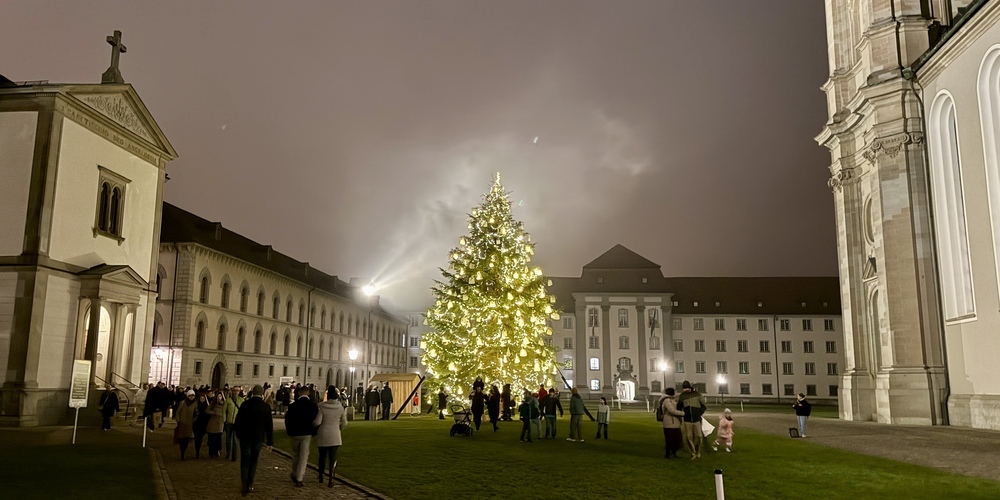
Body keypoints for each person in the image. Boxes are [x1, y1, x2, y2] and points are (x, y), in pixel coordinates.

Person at [234, 385, 273, 496]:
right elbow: (269, 426)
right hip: (258, 438)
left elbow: (238, 421)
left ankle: (244, 484)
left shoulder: (245, 405)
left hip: (245, 437)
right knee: (253, 461)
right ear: (262, 394)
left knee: (245, 461)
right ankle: (250, 483)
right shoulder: (265, 407)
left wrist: (238, 434)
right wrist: (270, 441)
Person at [313, 386, 348, 487]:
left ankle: (321, 475)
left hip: (323, 434)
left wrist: (313, 425)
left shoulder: (322, 407)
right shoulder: (340, 408)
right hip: (335, 434)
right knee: (332, 458)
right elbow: (345, 423)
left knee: (322, 457)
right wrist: (339, 428)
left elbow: (317, 422)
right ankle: (331, 478)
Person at [285, 385, 319, 487]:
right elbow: (316, 421)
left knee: (295, 454)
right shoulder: (313, 406)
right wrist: (314, 432)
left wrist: (289, 431)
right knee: (304, 456)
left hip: (294, 433)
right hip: (306, 433)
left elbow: (287, 420)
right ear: (308, 393)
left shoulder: (293, 406)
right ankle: (299, 478)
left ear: (299, 393)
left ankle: (294, 472)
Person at [677, 380, 707, 459]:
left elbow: (704, 406)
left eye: (687, 388)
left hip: (697, 419)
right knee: (689, 437)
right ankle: (692, 453)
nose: (685, 389)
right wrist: (682, 414)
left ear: (690, 387)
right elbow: (679, 407)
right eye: (684, 388)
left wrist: (699, 413)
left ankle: (698, 451)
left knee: (699, 436)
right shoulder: (682, 396)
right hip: (687, 420)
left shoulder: (697, 394)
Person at [660, 388, 685, 458]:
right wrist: (683, 413)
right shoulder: (667, 401)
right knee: (670, 439)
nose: (676, 393)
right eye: (675, 391)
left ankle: (674, 453)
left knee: (676, 440)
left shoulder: (673, 400)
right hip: (669, 423)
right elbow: (672, 411)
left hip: (675, 422)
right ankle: (668, 454)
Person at [174, 389, 199, 460]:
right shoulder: (183, 403)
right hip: (182, 423)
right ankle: (182, 453)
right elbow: (178, 412)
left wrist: (193, 420)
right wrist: (178, 420)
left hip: (189, 424)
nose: (191, 397)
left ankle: (184, 451)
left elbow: (197, 413)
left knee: (186, 439)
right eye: (190, 396)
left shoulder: (195, 403)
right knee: (181, 439)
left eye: (193, 396)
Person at [223, 385, 244, 461]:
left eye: (237, 391)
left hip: (237, 423)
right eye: (234, 390)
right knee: (228, 440)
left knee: (235, 440)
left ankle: (234, 455)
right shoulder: (228, 400)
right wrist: (225, 420)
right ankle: (228, 453)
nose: (235, 392)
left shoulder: (242, 400)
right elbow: (224, 411)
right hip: (229, 423)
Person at [206, 392, 226, 458]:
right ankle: (211, 452)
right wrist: (213, 412)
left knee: (218, 438)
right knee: (212, 438)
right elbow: (207, 410)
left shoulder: (224, 404)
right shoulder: (213, 403)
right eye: (218, 396)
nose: (219, 397)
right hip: (213, 422)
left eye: (220, 396)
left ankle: (216, 451)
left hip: (220, 422)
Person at [192, 392, 211, 458]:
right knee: (197, 438)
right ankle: (197, 451)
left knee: (200, 438)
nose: (202, 400)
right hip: (196, 424)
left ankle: (198, 450)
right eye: (201, 398)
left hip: (203, 424)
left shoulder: (207, 406)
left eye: (203, 398)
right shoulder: (196, 406)